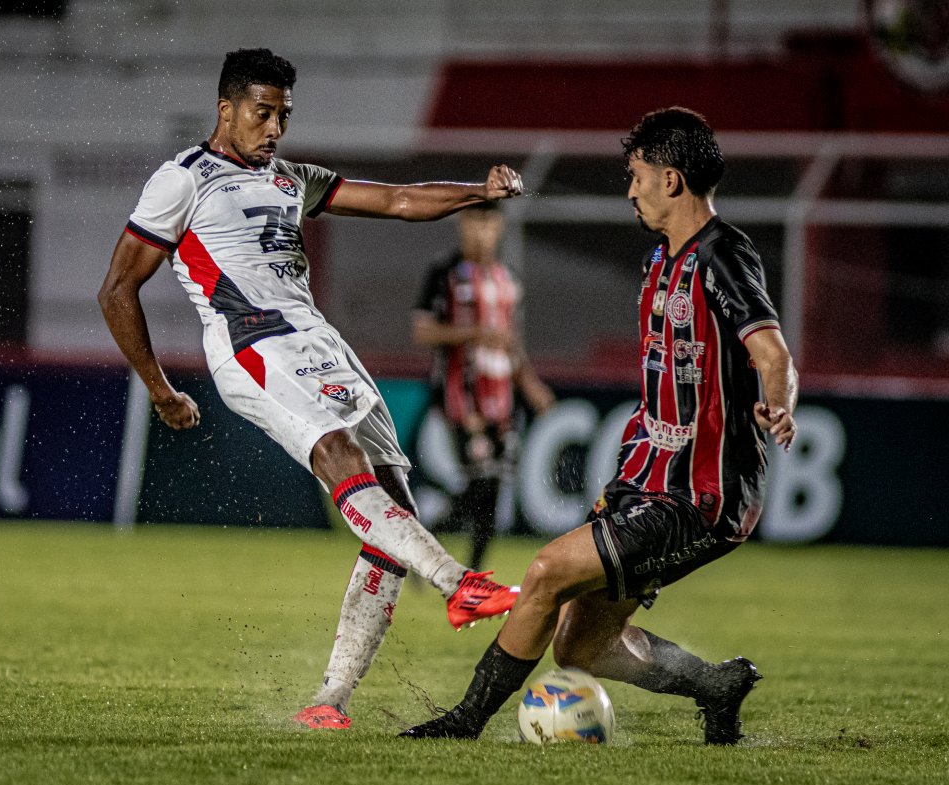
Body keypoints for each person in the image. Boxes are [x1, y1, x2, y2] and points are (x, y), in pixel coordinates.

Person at [97, 48, 524, 731]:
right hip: (251, 343)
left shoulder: (294, 177)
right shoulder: (183, 180)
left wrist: (479, 192)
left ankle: (331, 700)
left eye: (284, 116)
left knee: (396, 504)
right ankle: (457, 584)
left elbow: (398, 200)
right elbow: (118, 289)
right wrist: (158, 387)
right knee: (335, 453)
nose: (274, 129)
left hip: (321, 342)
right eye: (263, 113)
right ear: (226, 108)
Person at [400, 107, 798, 745]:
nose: (630, 188)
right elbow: (667, 381)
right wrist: (622, 481)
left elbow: (773, 356)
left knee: (545, 572)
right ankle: (714, 686)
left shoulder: (724, 254)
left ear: (672, 180)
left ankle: (463, 724)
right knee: (581, 647)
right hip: (646, 481)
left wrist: (778, 405)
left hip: (701, 496)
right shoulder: (658, 263)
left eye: (636, 174)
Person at [412, 201, 555, 569]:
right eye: (474, 221)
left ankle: (469, 570)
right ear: (462, 224)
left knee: (491, 492)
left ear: (499, 227)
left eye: (489, 222)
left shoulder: (508, 277)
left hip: (503, 398)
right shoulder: (443, 273)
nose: (481, 230)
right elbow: (422, 330)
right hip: (461, 395)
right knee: (482, 480)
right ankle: (432, 543)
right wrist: (473, 332)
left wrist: (532, 384)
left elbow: (510, 342)